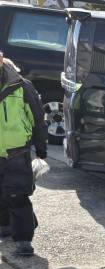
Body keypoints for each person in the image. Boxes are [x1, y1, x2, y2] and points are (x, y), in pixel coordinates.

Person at [0, 50, 47, 257]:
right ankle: (5, 227)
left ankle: (24, 241)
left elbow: (37, 118)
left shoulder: (23, 86)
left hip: (16, 152)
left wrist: (41, 149)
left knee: (17, 195)